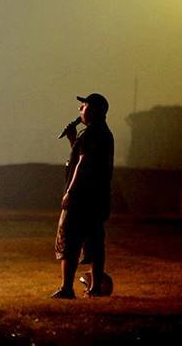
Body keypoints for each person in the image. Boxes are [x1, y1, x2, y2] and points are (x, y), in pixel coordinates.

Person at [52, 93, 114, 299]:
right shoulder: (101, 133)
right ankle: (95, 287)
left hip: (82, 198)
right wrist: (72, 140)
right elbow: (82, 157)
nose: (80, 110)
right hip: (97, 199)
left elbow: (84, 163)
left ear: (94, 110)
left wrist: (70, 191)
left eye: (84, 106)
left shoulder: (92, 134)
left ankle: (67, 288)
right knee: (95, 241)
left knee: (70, 239)